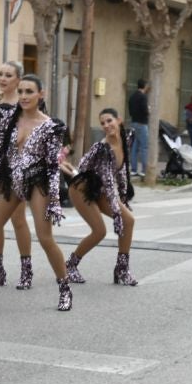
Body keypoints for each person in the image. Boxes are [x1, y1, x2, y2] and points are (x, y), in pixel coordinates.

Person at [0, 75, 73, 310]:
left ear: (40, 94)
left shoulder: (52, 126)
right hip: (10, 180)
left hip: (37, 182)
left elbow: (53, 166)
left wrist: (54, 199)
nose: (23, 96)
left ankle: (65, 289)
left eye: (29, 91)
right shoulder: (8, 120)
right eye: (21, 91)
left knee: (45, 238)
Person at [65, 109, 140, 286]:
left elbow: (122, 171)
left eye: (109, 121)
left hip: (100, 188)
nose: (106, 126)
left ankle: (121, 270)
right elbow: (105, 180)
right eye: (103, 123)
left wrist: (124, 200)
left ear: (119, 120)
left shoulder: (127, 138)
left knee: (128, 220)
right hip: (82, 188)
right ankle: (70, 265)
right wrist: (117, 212)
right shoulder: (103, 148)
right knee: (100, 231)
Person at [0, 64, 35, 286]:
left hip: (15, 168)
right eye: (0, 74)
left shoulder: (23, 106)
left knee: (18, 219)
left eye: (8, 75)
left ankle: (26, 269)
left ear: (18, 79)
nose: (2, 78)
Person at [126, 78, 152, 177]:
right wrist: (149, 110)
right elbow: (145, 110)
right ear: (145, 86)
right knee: (144, 147)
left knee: (134, 147)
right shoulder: (143, 97)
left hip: (134, 123)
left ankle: (133, 169)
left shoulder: (132, 96)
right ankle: (144, 170)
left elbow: (130, 110)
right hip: (142, 123)